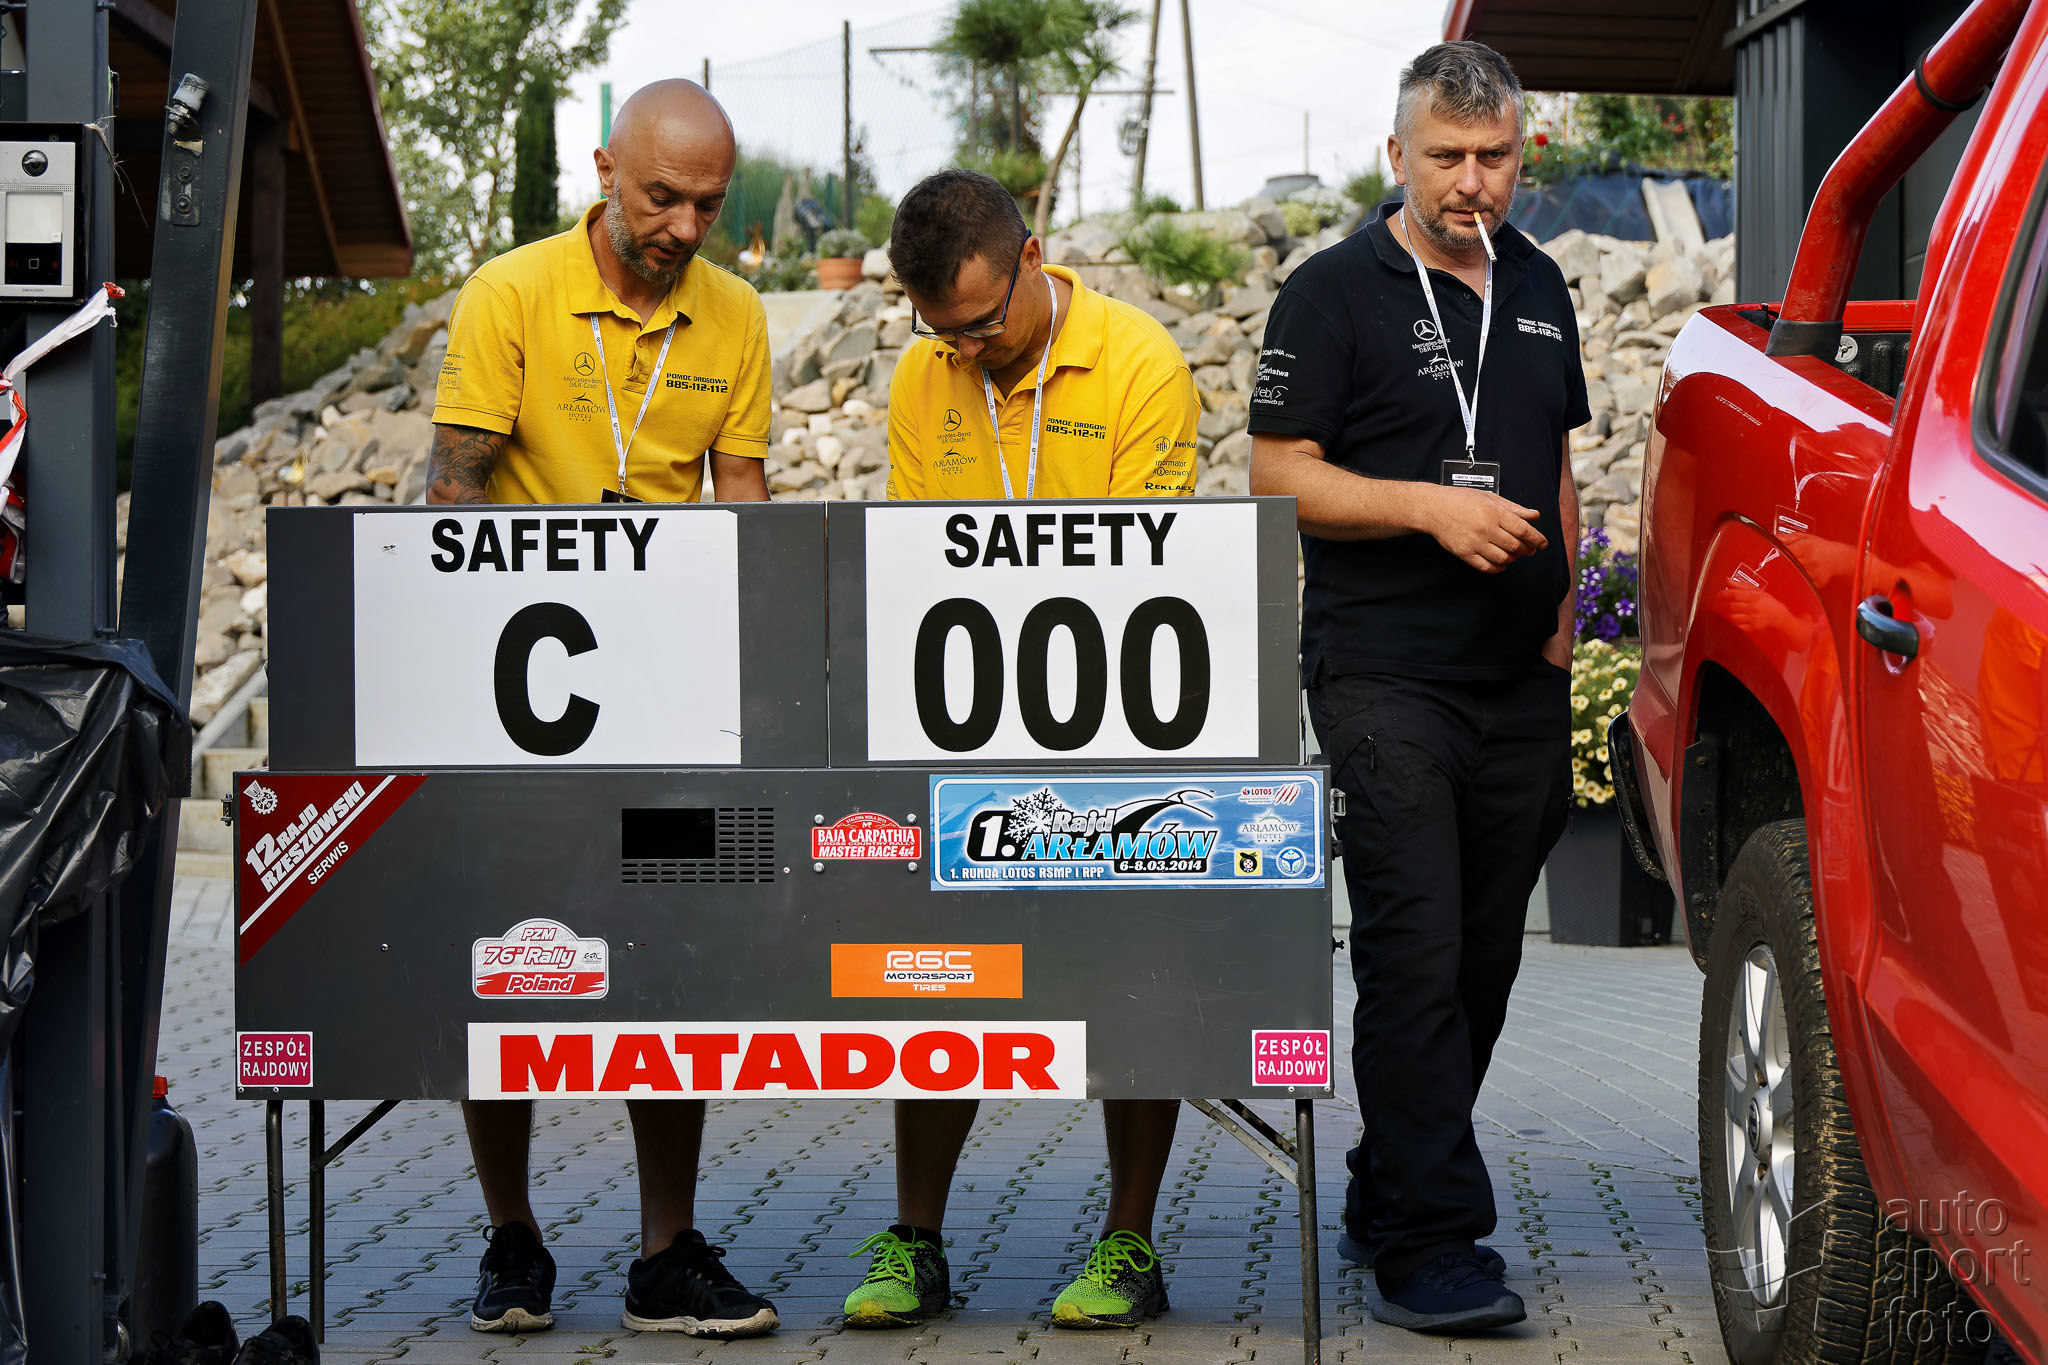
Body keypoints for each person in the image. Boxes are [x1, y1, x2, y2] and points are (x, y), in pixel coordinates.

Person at [426, 79, 777, 1340]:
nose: (684, 227)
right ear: (603, 171)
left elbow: (741, 498)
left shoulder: (735, 313)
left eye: (707, 206)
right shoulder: (509, 293)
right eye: (661, 198)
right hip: (518, 694)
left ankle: (665, 1251)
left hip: (666, 691)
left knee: (666, 958)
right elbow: (453, 494)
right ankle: (511, 1236)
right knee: (505, 957)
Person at [1249, 41, 1583, 1334]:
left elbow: (1556, 469)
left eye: (1492, 157)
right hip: (1382, 674)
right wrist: (1429, 510)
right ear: (1396, 155)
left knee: (1482, 964)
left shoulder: (1539, 285)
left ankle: (1388, 1176)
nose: (1469, 182)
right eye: (1444, 156)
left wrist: (1561, 639)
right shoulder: (1331, 291)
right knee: (1413, 952)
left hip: (1517, 683)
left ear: (1519, 157)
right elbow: (1279, 474)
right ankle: (1431, 1244)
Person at [843, 167, 1201, 1330]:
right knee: (935, 978)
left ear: (1032, 258)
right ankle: (916, 1236)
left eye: (983, 321)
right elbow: (911, 562)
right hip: (965, 733)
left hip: (1119, 737)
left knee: (1132, 978)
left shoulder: (1137, 361)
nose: (965, 348)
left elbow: (1154, 566)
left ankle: (1129, 1240)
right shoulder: (924, 373)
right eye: (939, 329)